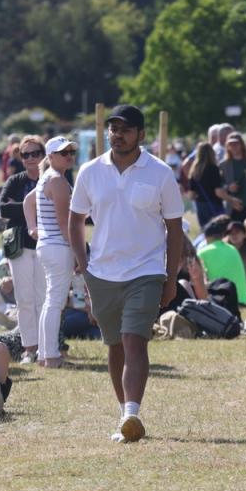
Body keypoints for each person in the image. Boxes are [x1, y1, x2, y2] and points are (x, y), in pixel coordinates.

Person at [69, 105, 184, 442]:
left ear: (141, 134)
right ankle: (125, 416)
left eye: (126, 129)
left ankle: (132, 412)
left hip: (146, 271)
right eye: (113, 128)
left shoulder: (161, 173)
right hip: (102, 272)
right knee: (115, 344)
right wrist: (84, 264)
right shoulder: (90, 171)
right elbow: (75, 220)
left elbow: (174, 229)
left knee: (135, 340)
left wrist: (170, 276)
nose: (117, 135)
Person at [0, 135, 46, 364]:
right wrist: (33, 206)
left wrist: (23, 208)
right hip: (19, 247)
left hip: (47, 246)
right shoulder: (16, 180)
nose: (30, 158)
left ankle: (47, 346)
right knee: (24, 299)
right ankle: (30, 348)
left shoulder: (54, 178)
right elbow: (3, 210)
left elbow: (60, 206)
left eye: (35, 153)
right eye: (25, 154)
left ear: (43, 154)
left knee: (44, 299)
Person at [34, 136, 78, 369]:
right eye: (64, 152)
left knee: (51, 302)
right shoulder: (57, 181)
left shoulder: (47, 179)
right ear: (50, 157)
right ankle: (51, 356)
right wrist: (78, 251)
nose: (69, 155)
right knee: (55, 302)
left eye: (71, 151)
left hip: (48, 245)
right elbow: (64, 223)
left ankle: (45, 354)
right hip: (58, 246)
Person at [197, 215, 246, 305]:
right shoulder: (233, 249)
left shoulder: (202, 253)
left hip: (222, 302)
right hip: (243, 300)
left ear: (206, 237)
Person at [188, 142, 240, 229]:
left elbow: (191, 195)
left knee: (206, 233)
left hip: (201, 207)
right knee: (219, 231)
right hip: (214, 205)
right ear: (212, 153)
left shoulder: (194, 171)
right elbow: (218, 192)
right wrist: (231, 200)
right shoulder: (213, 169)